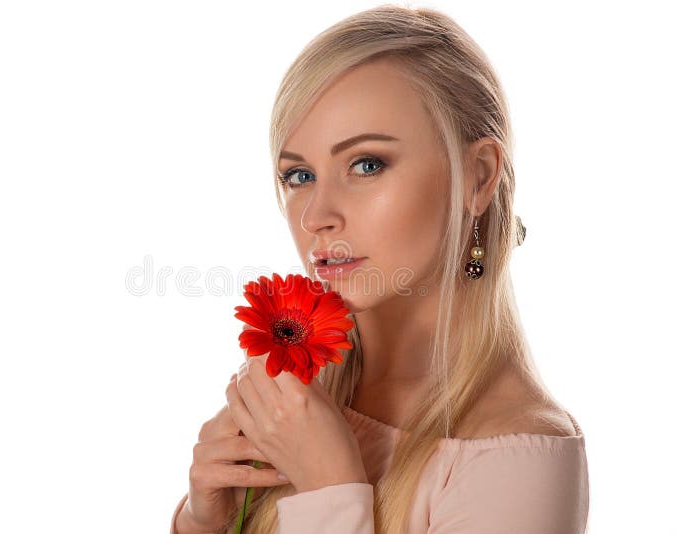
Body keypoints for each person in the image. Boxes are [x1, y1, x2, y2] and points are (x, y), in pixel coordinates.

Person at [171, 4, 589, 533]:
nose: (317, 216)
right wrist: (204, 523)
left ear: (478, 177)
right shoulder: (303, 404)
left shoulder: (520, 458)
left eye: (366, 164)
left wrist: (330, 487)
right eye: (299, 175)